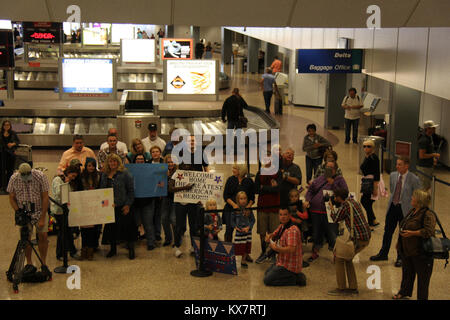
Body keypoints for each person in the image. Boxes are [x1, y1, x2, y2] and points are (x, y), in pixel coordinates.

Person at [371, 156, 421, 267]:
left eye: (400, 164)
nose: (397, 166)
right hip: (393, 207)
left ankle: (400, 257)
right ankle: (383, 253)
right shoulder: (393, 176)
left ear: (406, 166)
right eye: (397, 164)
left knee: (402, 234)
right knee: (387, 231)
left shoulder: (414, 179)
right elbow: (393, 190)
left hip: (405, 209)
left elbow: (418, 196)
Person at [7, 163, 51, 276]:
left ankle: (43, 262)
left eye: (28, 174)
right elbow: (11, 197)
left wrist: (42, 218)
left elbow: (45, 197)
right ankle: (29, 263)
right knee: (26, 238)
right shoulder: (14, 178)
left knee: (43, 236)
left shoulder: (40, 176)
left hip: (39, 210)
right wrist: (18, 211)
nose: (26, 176)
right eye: (23, 175)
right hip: (24, 213)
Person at [327, 188, 371, 296]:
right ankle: (352, 288)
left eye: (335, 197)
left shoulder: (345, 206)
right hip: (365, 236)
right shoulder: (353, 202)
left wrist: (331, 208)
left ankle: (341, 288)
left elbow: (335, 218)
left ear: (338, 198)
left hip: (358, 238)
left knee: (339, 258)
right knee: (347, 259)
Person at [393, 190, 436, 300]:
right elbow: (403, 225)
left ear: (419, 201)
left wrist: (412, 233)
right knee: (407, 274)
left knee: (423, 281)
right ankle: (403, 292)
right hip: (408, 251)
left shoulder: (428, 214)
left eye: (413, 197)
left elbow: (429, 231)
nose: (411, 198)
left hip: (421, 253)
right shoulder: (413, 211)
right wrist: (400, 242)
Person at [304, 161, 348, 262]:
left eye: (331, 168)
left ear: (335, 169)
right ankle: (315, 252)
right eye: (327, 167)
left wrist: (333, 184)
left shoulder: (340, 180)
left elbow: (344, 193)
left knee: (332, 234)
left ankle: (336, 254)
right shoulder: (319, 178)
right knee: (316, 233)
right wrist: (308, 200)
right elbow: (310, 190)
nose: (329, 170)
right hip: (315, 211)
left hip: (330, 212)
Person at [173, 135, 209, 258]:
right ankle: (177, 246)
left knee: (194, 223)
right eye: (190, 140)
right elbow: (177, 170)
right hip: (182, 198)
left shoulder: (201, 153)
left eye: (194, 140)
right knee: (179, 224)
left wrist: (208, 181)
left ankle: (194, 246)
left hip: (196, 192)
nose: (192, 142)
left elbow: (206, 168)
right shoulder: (182, 153)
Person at [100, 154, 136, 260]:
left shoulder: (125, 173)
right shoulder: (105, 174)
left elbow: (131, 191)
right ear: (108, 163)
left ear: (118, 162)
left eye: (115, 161)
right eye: (110, 161)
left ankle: (131, 249)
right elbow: (102, 190)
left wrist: (128, 205)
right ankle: (113, 249)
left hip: (123, 206)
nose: (112, 163)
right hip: (110, 207)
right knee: (111, 229)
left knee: (128, 229)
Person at [263, 208, 306, 287]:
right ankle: (293, 276)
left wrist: (276, 248)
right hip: (282, 261)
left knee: (267, 280)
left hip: (290, 265)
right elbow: (274, 234)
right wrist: (269, 237)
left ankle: (296, 279)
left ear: (290, 215)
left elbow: (291, 249)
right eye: (281, 214)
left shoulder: (292, 230)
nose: (283, 217)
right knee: (267, 273)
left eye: (285, 215)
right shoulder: (282, 226)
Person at [255, 151, 282, 264]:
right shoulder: (259, 173)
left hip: (275, 207)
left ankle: (273, 253)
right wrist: (270, 187)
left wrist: (264, 188)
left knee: (274, 231)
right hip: (262, 206)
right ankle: (263, 252)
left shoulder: (278, 173)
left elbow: (278, 189)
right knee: (262, 231)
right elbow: (256, 189)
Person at [51, 165, 82, 260]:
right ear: (68, 173)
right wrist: (66, 183)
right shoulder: (57, 180)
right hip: (58, 210)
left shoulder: (70, 182)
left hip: (67, 210)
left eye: (75, 176)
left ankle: (70, 251)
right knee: (62, 232)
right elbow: (57, 194)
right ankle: (62, 253)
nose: (73, 178)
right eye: (72, 176)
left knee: (67, 231)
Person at [163, 154, 193, 247]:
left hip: (177, 200)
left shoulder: (179, 172)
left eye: (172, 162)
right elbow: (169, 188)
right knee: (164, 219)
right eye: (168, 162)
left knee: (174, 220)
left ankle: (177, 240)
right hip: (166, 198)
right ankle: (168, 239)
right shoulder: (164, 172)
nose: (170, 164)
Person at [130, 152, 158, 251]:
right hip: (134, 202)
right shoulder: (130, 171)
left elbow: (156, 182)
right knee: (134, 223)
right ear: (135, 161)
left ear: (145, 160)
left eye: (142, 159)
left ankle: (151, 242)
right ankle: (131, 242)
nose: (140, 161)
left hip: (148, 201)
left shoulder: (150, 171)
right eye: (138, 159)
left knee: (148, 223)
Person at [223, 164, 255, 244]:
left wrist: (248, 207)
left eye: (235, 168)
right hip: (230, 209)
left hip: (244, 211)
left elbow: (252, 197)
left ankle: (245, 255)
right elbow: (226, 196)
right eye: (233, 168)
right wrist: (234, 205)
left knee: (245, 232)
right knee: (229, 231)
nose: (233, 170)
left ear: (241, 171)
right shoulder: (230, 180)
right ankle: (227, 252)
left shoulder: (249, 181)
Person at [80, 157, 101, 259]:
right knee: (84, 229)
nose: (91, 168)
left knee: (94, 228)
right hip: (84, 205)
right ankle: (84, 248)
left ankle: (91, 249)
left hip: (95, 204)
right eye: (89, 165)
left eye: (93, 165)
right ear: (86, 166)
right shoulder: (81, 177)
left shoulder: (98, 176)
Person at [360, 139, 380, 227]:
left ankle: (371, 222)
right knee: (367, 202)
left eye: (369, 146)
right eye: (364, 146)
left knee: (365, 201)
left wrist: (375, 187)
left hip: (371, 182)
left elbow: (377, 172)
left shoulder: (374, 158)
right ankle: (373, 220)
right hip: (367, 181)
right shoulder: (368, 157)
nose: (366, 148)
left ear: (373, 148)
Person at [231, 191, 255, 268]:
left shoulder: (249, 209)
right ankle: (233, 259)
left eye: (245, 198)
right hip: (239, 232)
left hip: (247, 232)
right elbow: (232, 220)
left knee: (246, 246)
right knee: (238, 246)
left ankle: (243, 260)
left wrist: (249, 227)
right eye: (241, 198)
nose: (243, 200)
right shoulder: (235, 209)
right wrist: (235, 227)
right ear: (238, 200)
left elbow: (253, 220)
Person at [417, 120, 440, 191]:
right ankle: (421, 201)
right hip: (423, 167)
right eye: (433, 128)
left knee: (427, 186)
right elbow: (421, 155)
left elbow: (428, 151)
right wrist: (433, 155)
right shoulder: (424, 140)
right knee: (423, 188)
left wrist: (432, 158)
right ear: (428, 129)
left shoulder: (430, 138)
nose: (434, 129)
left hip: (428, 166)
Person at [1, 120, 20, 189]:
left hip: (11, 154)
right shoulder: (0, 133)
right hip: (2, 154)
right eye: (5, 125)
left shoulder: (13, 133)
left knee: (10, 170)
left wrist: (12, 144)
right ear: (3, 126)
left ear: (10, 126)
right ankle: (2, 185)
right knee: (2, 170)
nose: (6, 126)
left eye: (8, 125)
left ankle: (10, 185)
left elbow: (18, 142)